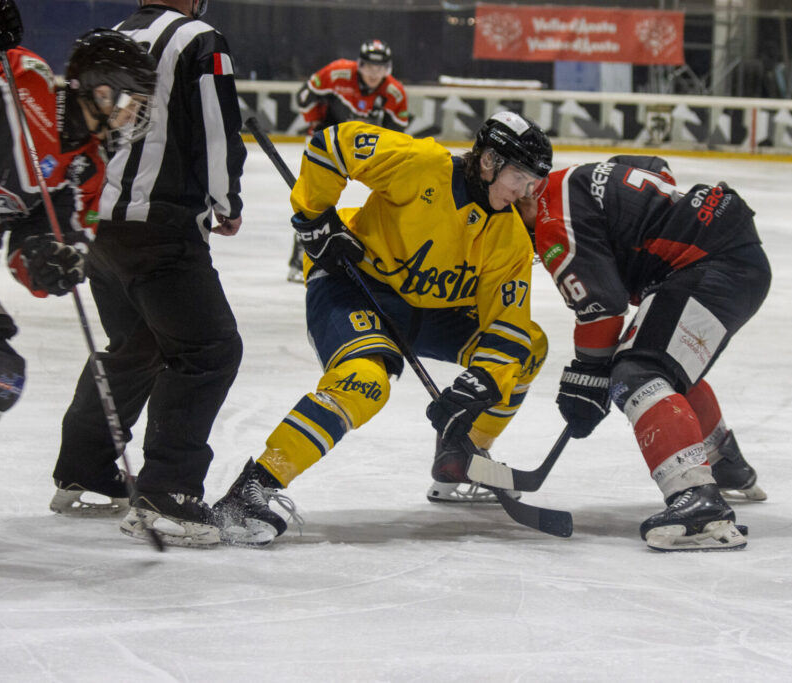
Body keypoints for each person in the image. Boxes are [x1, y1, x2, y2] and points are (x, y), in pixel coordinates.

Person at [212, 111, 552, 546]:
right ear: (488, 161)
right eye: (520, 176)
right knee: (363, 383)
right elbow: (332, 144)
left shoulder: (508, 238)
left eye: (534, 183)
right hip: (354, 283)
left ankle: (461, 457)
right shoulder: (421, 164)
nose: (526, 192)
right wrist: (314, 219)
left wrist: (479, 383)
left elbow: (509, 329)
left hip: (429, 312)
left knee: (531, 348)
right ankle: (253, 488)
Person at [50, 0, 247, 549]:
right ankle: (169, 492)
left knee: (137, 344)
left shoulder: (110, 34)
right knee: (208, 350)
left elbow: (80, 132)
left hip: (102, 229)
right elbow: (216, 127)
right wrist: (226, 201)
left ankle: (85, 467)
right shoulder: (199, 39)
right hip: (159, 229)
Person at [516, 154, 769, 552]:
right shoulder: (576, 178)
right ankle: (724, 462)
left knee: (637, 372)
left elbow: (603, 306)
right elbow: (655, 166)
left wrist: (587, 378)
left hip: (713, 267)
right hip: (727, 255)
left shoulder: (551, 222)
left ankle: (700, 506)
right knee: (663, 362)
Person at [0, 3, 121, 476]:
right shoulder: (21, 81)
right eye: (131, 98)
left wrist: (48, 262)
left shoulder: (87, 167)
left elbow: (45, 246)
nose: (133, 113)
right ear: (98, 89)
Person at [287, 39, 409, 283]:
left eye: (380, 68)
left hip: (365, 151)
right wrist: (315, 126)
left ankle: (384, 255)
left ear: (389, 69)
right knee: (313, 203)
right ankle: (299, 257)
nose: (374, 74)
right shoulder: (337, 73)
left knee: (388, 200)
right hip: (329, 147)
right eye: (369, 67)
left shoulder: (394, 93)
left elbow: (398, 135)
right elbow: (304, 97)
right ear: (359, 64)